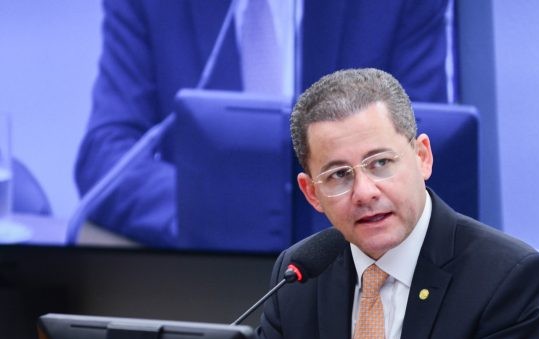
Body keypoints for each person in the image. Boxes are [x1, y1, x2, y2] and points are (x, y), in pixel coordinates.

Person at [258, 68, 539, 339]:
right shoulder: (299, 275)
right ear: (312, 193)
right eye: (339, 175)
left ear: (422, 157)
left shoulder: (506, 277)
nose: (364, 192)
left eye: (380, 163)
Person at [75, 0, 451, 247]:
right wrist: (215, 213)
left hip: (349, 257)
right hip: (203, 264)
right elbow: (105, 156)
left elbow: (425, 153)